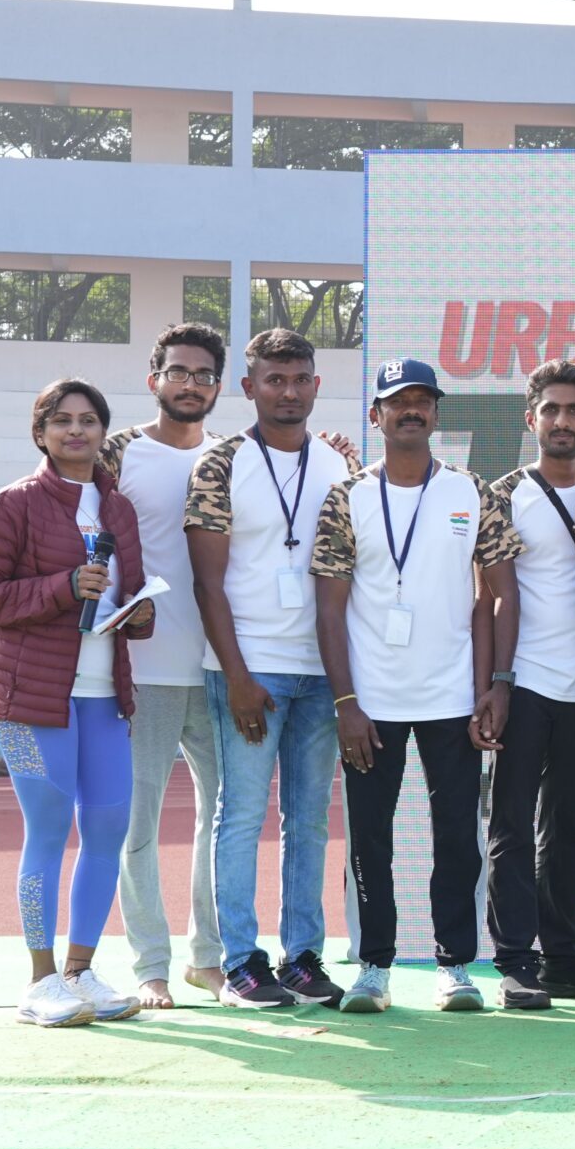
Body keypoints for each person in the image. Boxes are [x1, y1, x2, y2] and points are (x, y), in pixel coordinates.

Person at [313, 359, 524, 1013]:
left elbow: (499, 595)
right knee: (369, 838)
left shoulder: (472, 491)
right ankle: (374, 966)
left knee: (456, 836)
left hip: (452, 698)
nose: (410, 410)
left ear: (435, 412)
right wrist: (346, 702)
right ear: (375, 415)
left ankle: (454, 965)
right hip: (370, 701)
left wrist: (497, 684)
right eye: (396, 401)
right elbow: (329, 609)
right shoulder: (347, 496)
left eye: (422, 400)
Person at [0, 378, 159, 1027]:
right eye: (62, 419)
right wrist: (64, 586)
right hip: (31, 698)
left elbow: (127, 593)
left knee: (107, 831)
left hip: (105, 696)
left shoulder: (118, 509)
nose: (77, 430)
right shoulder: (12, 503)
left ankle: (81, 971)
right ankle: (40, 980)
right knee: (47, 832)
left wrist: (139, 613)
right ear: (40, 432)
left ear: (103, 431)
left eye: (89, 419)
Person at [185, 328, 355, 1010]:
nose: (288, 391)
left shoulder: (339, 464)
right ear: (249, 386)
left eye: (300, 378)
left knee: (309, 820)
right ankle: (241, 963)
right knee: (241, 814)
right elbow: (207, 583)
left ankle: (303, 956)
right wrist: (237, 674)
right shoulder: (222, 463)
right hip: (250, 669)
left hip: (320, 670)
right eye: (274, 379)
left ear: (316, 384)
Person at [101, 322, 231, 1010]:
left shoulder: (234, 456)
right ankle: (150, 963)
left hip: (220, 670)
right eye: (178, 371)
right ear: (154, 378)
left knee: (226, 819)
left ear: (219, 385)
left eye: (203, 374)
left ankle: (208, 958)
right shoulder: (118, 452)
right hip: (143, 669)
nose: (190, 383)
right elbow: (85, 541)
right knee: (138, 824)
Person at [487, 360, 575, 1003]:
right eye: (551, 410)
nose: (562, 421)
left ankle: (563, 956)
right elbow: (487, 597)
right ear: (531, 419)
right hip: (527, 681)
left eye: (574, 411)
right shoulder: (504, 494)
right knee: (510, 824)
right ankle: (515, 958)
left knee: (567, 829)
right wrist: (495, 683)